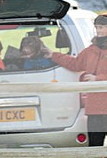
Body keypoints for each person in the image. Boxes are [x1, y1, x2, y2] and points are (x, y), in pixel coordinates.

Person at [42, 14, 107, 146]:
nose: (98, 30)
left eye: (102, 27)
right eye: (97, 27)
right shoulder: (90, 50)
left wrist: (98, 78)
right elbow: (76, 64)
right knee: (95, 146)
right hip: (94, 108)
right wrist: (53, 55)